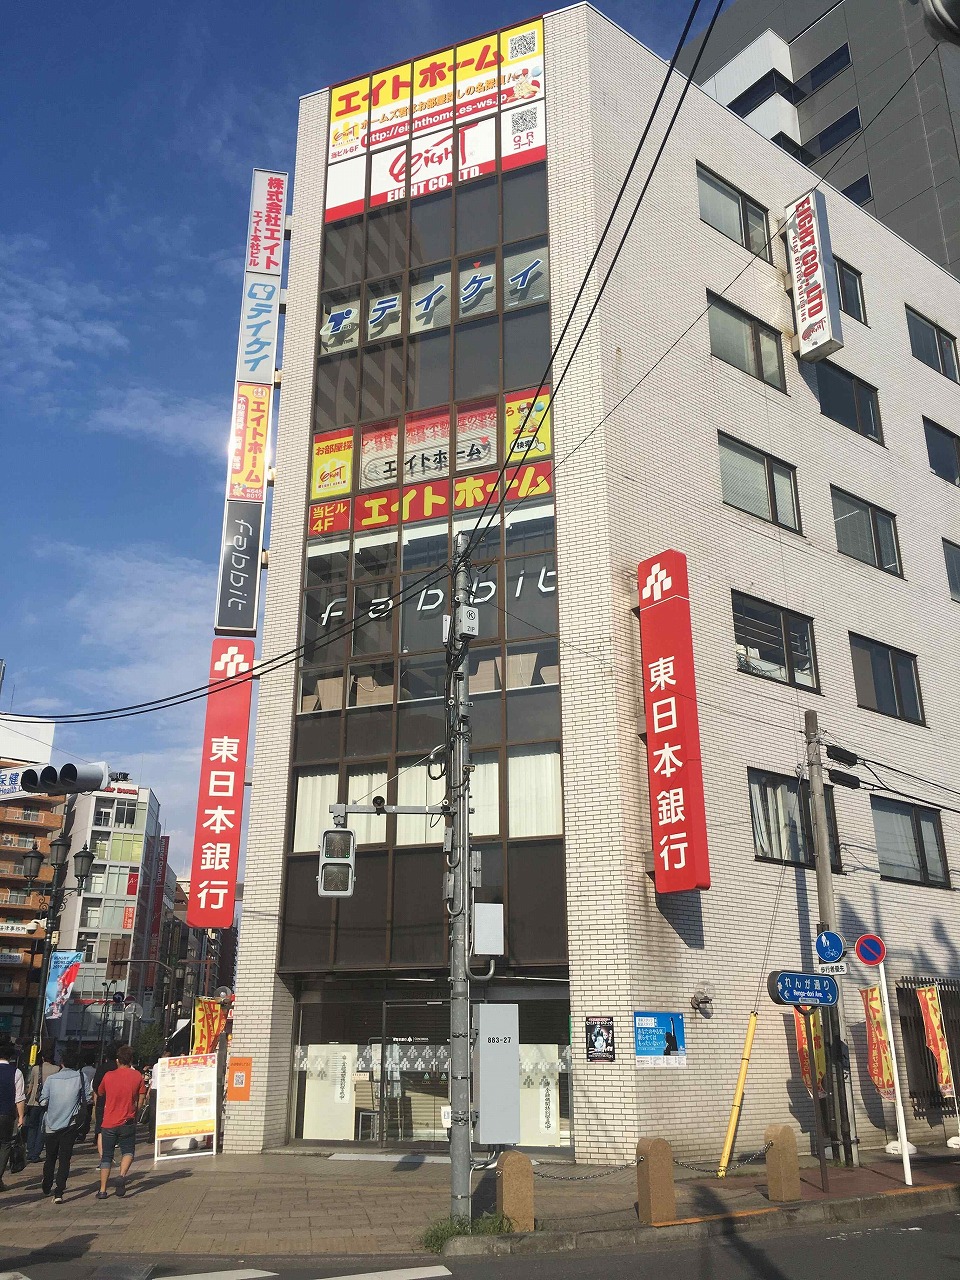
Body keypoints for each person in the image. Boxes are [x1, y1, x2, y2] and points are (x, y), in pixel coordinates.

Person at [37, 1045, 88, 1203]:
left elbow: (43, 1100)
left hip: (51, 1123)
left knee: (50, 1157)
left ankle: (47, 1183)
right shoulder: (81, 1077)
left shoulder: (52, 1079)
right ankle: (59, 1192)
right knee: (65, 1159)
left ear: (62, 1063)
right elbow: (88, 1097)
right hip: (70, 1124)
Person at [96, 1044, 146, 1199]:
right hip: (128, 1120)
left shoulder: (108, 1076)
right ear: (131, 1060)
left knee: (106, 1156)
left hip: (109, 1122)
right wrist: (135, 1111)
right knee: (128, 1151)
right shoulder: (137, 1076)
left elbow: (100, 1091)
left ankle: (103, 1190)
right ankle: (122, 1175)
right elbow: (141, 1099)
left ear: (118, 1060)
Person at [24, 1046, 60, 1164]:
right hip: (48, 1102)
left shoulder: (35, 1069)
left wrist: (26, 1099)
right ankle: (36, 1153)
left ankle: (29, 1151)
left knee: (32, 1126)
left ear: (43, 1057)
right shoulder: (56, 1069)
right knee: (42, 1128)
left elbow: (30, 1085)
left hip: (34, 1102)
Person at [0, 1039, 26, 1192]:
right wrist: (21, 1116)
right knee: (4, 1144)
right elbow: (19, 1097)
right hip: (6, 1114)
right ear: (10, 1057)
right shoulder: (16, 1072)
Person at [92, 1042, 118, 1147]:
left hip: (102, 1100)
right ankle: (114, 1143)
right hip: (117, 1100)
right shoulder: (119, 1068)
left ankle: (103, 1153)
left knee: (100, 1127)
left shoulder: (102, 1068)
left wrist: (100, 1093)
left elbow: (95, 1085)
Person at [77, 1050, 96, 1142]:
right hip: (90, 1096)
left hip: (81, 1096)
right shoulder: (95, 1071)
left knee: (80, 1115)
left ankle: (80, 1132)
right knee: (88, 1116)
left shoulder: (81, 1071)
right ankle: (84, 1131)